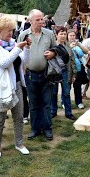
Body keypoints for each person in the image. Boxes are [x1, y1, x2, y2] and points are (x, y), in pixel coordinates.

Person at [0, 16, 31, 158]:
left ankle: (19, 144)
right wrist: (18, 48)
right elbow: (4, 63)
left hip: (17, 85)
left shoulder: (12, 43)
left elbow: (24, 61)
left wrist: (27, 48)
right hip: (1, 87)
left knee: (18, 117)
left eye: (12, 30)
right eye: (8, 31)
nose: (11, 34)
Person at [17, 9, 57, 141]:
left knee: (46, 103)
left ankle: (47, 129)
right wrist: (21, 70)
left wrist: (53, 53)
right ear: (30, 21)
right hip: (30, 75)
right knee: (33, 103)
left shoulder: (50, 34)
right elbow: (17, 53)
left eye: (42, 19)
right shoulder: (23, 35)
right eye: (38, 20)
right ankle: (35, 129)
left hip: (46, 74)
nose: (41, 22)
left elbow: (56, 49)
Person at [51, 26, 77, 120]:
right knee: (53, 93)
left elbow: (72, 60)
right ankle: (53, 111)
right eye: (61, 34)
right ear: (56, 35)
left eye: (64, 34)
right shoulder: (52, 45)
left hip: (66, 72)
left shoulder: (68, 46)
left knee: (66, 93)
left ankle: (68, 112)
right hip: (54, 73)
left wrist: (74, 74)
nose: (63, 36)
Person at [68, 29, 89, 109]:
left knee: (78, 86)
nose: (72, 37)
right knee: (67, 87)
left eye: (73, 35)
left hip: (79, 68)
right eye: (70, 35)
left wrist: (79, 45)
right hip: (70, 69)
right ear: (67, 36)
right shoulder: (65, 45)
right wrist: (70, 47)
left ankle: (79, 102)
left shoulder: (78, 44)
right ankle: (65, 102)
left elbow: (86, 51)